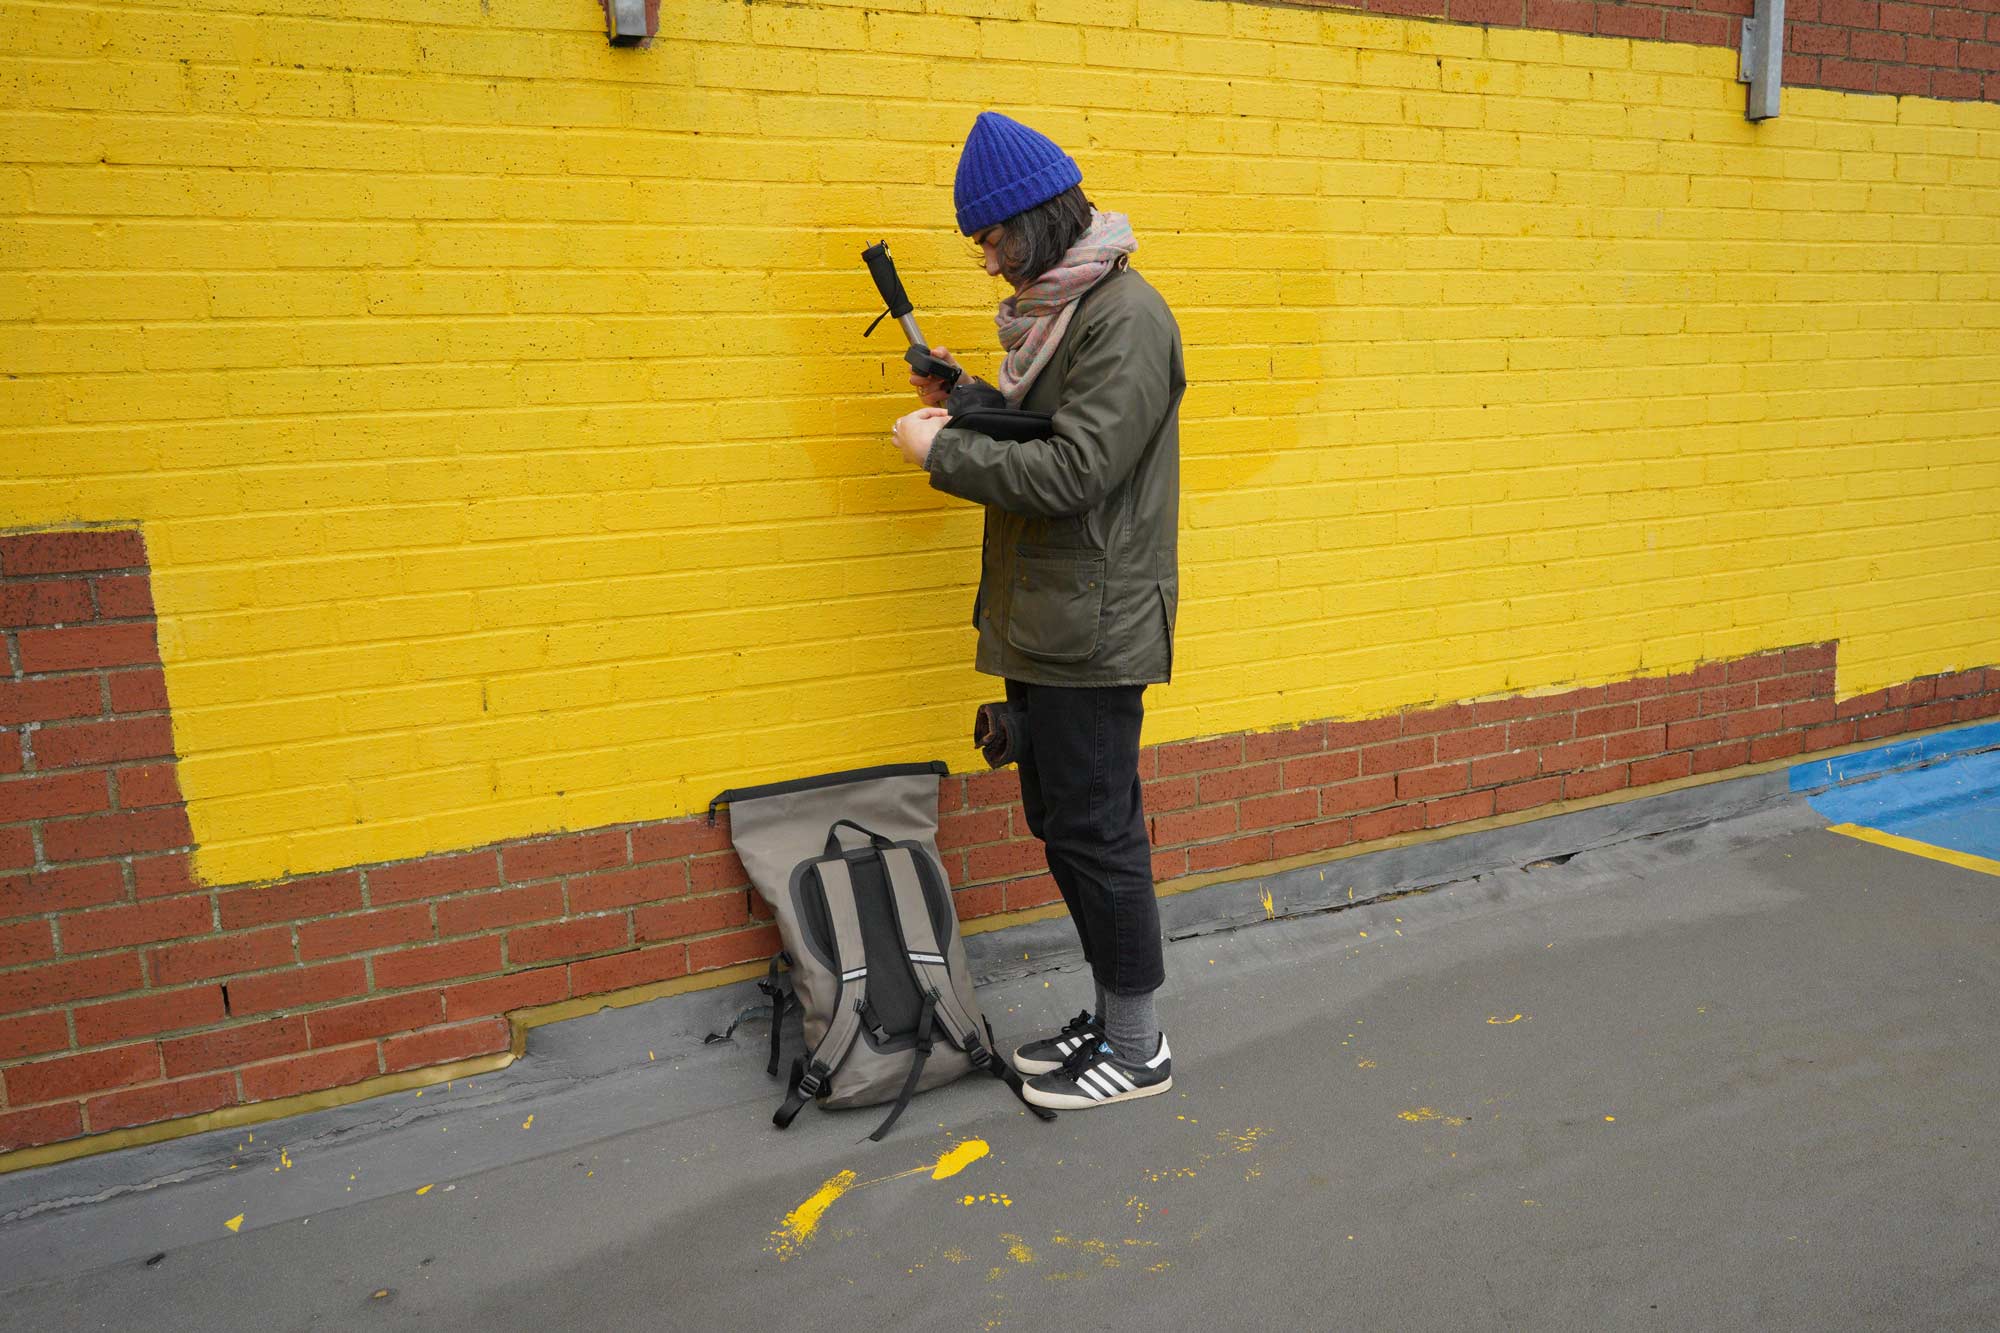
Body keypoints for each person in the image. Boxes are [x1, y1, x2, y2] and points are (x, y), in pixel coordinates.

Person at [889, 111, 1186, 1111]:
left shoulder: (1125, 317)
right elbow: (1052, 426)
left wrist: (943, 451)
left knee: (1099, 834)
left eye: (992, 239)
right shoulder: (1069, 312)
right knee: (1063, 825)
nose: (986, 261)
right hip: (1053, 615)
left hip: (1095, 624)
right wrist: (971, 399)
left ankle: (1137, 1050)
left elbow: (1075, 470)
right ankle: (1110, 1019)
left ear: (1037, 219)